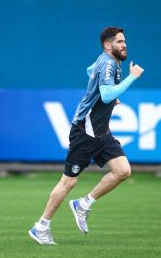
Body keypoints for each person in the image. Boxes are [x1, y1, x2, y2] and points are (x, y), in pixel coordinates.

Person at [28, 26, 145, 244]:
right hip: (86, 131)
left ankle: (83, 204)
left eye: (125, 41)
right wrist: (131, 78)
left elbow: (91, 71)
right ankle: (40, 227)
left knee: (122, 170)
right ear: (107, 45)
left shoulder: (109, 62)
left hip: (101, 131)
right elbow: (107, 93)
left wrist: (100, 93)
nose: (124, 45)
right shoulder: (109, 62)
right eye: (120, 42)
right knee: (68, 183)